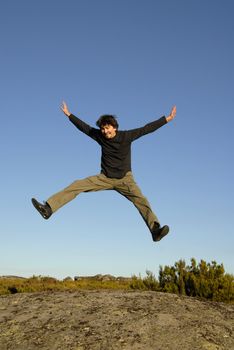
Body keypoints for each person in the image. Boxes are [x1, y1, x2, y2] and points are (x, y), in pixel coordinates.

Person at [32, 102, 176, 242]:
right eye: (103, 129)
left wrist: (166, 119)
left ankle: (155, 231)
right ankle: (48, 208)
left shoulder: (127, 136)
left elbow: (146, 129)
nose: (105, 132)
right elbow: (85, 128)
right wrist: (69, 115)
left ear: (114, 127)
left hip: (125, 180)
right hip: (104, 178)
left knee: (142, 201)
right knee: (77, 185)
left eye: (108, 128)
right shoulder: (100, 137)